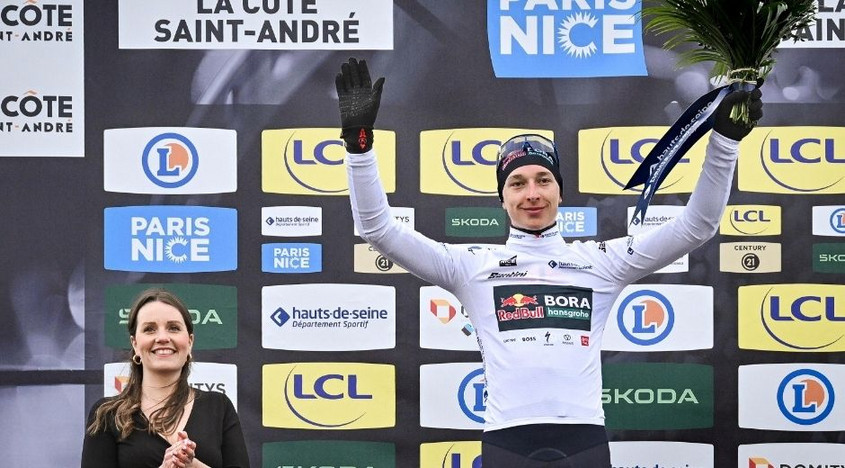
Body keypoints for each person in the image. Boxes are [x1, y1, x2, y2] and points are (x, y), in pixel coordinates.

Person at [336, 58, 762, 467]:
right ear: (502, 199)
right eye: (517, 183)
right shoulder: (471, 265)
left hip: (584, 441)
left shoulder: (600, 261)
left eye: (543, 180)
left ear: (560, 192)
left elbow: (697, 226)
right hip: (508, 441)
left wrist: (724, 143)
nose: (532, 193)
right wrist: (359, 147)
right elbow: (379, 230)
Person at [82, 288, 250, 468]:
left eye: (173, 328)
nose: (162, 337)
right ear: (135, 344)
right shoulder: (107, 415)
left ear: (190, 342)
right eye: (149, 329)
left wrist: (191, 465)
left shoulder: (219, 407)